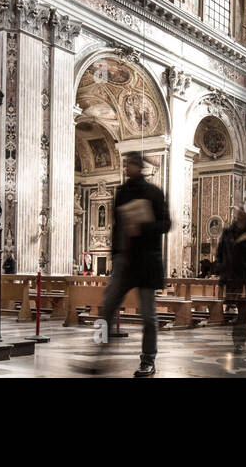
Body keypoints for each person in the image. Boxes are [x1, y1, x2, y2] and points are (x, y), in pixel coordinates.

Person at [93, 151, 171, 377]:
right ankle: (99, 353)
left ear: (140, 167)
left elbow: (166, 224)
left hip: (146, 262)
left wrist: (143, 227)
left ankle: (148, 360)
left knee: (148, 315)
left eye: (131, 165)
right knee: (107, 308)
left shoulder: (154, 193)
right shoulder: (121, 192)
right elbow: (117, 226)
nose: (128, 168)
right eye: (126, 165)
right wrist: (115, 254)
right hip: (124, 261)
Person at [214, 205, 246, 353]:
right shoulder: (228, 232)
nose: (238, 217)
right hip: (230, 277)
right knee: (231, 306)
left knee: (244, 312)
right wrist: (219, 267)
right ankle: (235, 331)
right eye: (237, 215)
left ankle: (239, 341)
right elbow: (220, 252)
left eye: (241, 215)